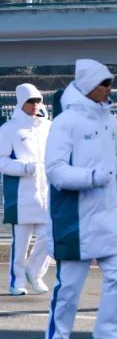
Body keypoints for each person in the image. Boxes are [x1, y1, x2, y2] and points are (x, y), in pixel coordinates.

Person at [43, 60, 117, 339]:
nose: (110, 88)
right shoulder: (65, 122)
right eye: (105, 83)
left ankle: (108, 337)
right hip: (75, 217)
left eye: (111, 82)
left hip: (109, 213)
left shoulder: (110, 120)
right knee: (69, 287)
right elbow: (55, 171)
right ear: (87, 87)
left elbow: (111, 157)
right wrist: (92, 178)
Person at [0, 83, 52, 296]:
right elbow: (1, 161)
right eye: (30, 101)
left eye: (37, 100)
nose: (35, 105)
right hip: (21, 195)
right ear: (21, 102)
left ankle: (35, 272)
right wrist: (24, 168)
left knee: (51, 237)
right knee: (20, 243)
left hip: (46, 194)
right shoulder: (9, 129)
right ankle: (17, 281)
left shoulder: (49, 127)